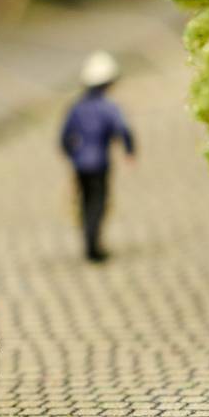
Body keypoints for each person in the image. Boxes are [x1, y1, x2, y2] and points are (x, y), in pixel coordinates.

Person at [59, 51, 138, 262]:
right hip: (99, 163)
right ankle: (93, 244)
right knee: (98, 202)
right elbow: (123, 129)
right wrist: (130, 151)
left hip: (81, 163)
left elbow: (65, 136)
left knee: (85, 201)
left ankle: (89, 239)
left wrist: (72, 155)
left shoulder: (76, 107)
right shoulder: (109, 107)